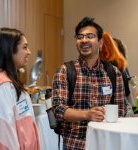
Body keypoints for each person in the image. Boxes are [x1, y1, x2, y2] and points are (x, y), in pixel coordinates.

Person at [51, 17, 126, 150]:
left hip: (106, 143)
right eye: (80, 37)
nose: (84, 40)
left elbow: (121, 110)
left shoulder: (113, 73)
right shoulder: (65, 71)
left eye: (90, 36)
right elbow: (58, 110)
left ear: (100, 42)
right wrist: (87, 114)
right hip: (75, 144)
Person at [0, 27, 40, 150]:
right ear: (9, 50)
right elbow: (7, 137)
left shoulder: (7, 81)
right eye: (25, 47)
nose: (29, 52)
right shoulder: (1, 86)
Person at [100, 32, 134, 116]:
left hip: (113, 112)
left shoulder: (109, 67)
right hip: (124, 110)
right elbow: (127, 91)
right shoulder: (121, 63)